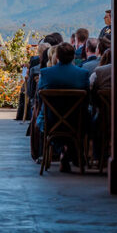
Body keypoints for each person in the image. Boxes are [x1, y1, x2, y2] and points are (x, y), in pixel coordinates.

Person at [36, 42, 90, 172]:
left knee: (42, 119)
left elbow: (39, 99)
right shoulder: (83, 74)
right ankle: (70, 151)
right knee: (87, 118)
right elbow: (88, 100)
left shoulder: (46, 73)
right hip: (77, 121)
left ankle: (62, 150)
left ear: (57, 57)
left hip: (51, 121)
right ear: (73, 57)